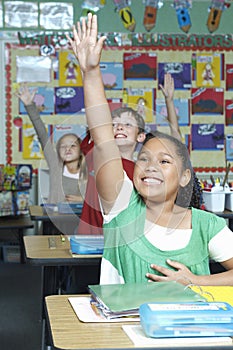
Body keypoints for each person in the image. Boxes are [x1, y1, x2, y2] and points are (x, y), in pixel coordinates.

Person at [68, 13, 233, 286]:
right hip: (121, 327)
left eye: (164, 161)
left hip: (189, 328)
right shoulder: (122, 206)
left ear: (184, 177)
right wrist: (91, 72)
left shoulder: (207, 225)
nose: (150, 166)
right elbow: (103, 140)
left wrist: (195, 281)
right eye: (143, 158)